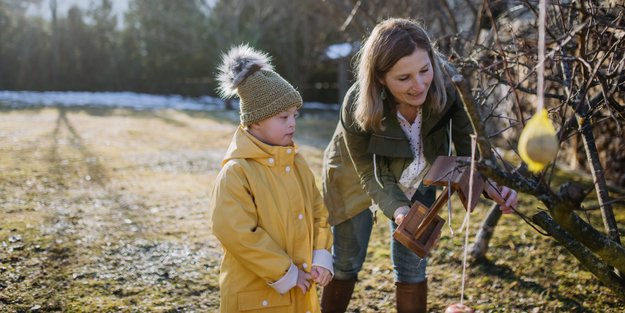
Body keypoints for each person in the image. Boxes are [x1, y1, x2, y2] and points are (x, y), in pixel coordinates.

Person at [320, 18, 517, 313]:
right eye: (404, 78)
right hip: (354, 178)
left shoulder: (451, 85)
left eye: (425, 70)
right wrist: (399, 210)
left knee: (413, 264)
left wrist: (494, 183)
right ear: (380, 78)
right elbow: (370, 174)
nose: (419, 84)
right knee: (348, 259)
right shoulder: (356, 104)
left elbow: (472, 146)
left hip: (418, 173)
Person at [211, 44, 333, 312]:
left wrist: (321, 256)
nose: (293, 123)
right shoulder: (237, 172)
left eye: (294, 116)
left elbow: (317, 211)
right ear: (255, 121)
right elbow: (237, 232)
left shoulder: (297, 163)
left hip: (300, 292)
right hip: (257, 296)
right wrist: (286, 272)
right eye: (283, 117)